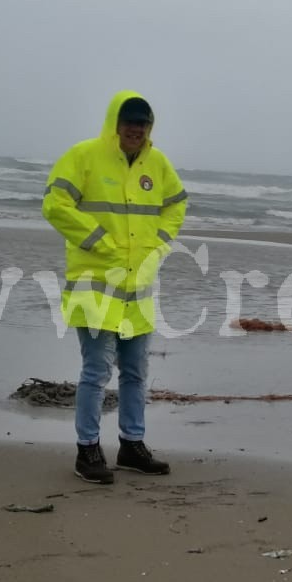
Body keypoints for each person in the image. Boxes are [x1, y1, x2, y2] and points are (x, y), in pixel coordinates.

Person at [42, 92, 188, 483]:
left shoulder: (156, 164)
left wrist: (158, 242)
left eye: (143, 122)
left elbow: (177, 204)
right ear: (115, 122)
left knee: (137, 372)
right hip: (95, 285)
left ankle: (131, 445)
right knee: (96, 372)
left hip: (138, 288)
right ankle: (87, 451)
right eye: (129, 121)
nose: (136, 128)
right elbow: (55, 204)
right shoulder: (84, 156)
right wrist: (98, 242)